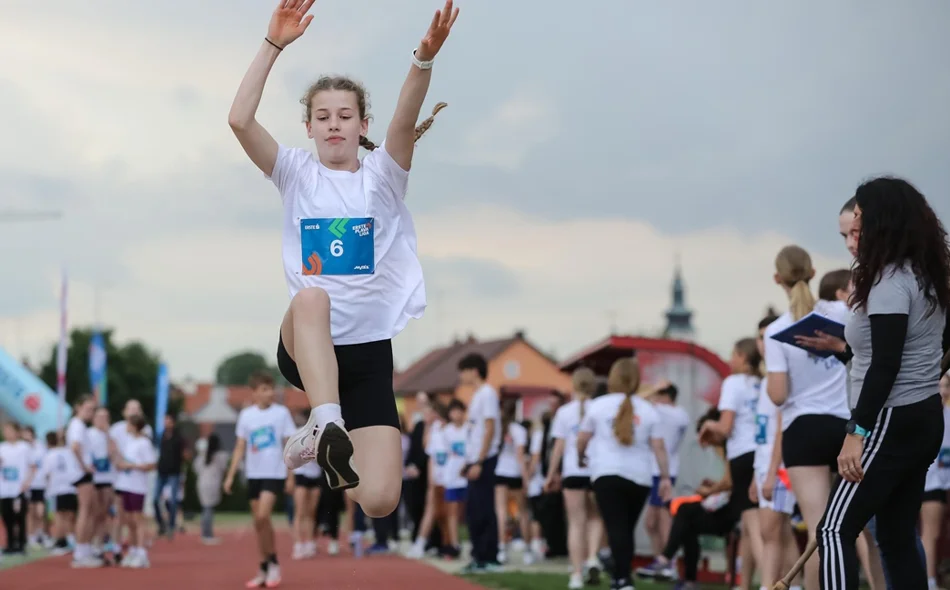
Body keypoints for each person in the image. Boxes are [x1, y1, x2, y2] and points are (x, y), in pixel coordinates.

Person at [228, 0, 456, 521]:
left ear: (362, 125)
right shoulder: (294, 173)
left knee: (379, 500)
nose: (334, 125)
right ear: (308, 127)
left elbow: (404, 120)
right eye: (323, 117)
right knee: (312, 296)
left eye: (345, 116)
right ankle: (325, 420)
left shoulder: (383, 177)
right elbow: (239, 120)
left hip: (368, 356)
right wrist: (273, 44)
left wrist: (422, 60)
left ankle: (316, 439)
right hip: (308, 347)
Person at [816, 177, 950, 590]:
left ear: (883, 221)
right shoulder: (926, 275)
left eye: (860, 217)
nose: (855, 227)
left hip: (890, 418)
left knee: (833, 529)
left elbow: (886, 364)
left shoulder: (890, 280)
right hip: (922, 416)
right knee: (894, 537)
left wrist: (856, 432)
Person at [576, 358, 672, 590]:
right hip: (639, 477)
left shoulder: (598, 406)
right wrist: (665, 477)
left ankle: (621, 578)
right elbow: (659, 447)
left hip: (606, 473)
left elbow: (582, 439)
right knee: (625, 528)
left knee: (616, 527)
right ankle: (621, 577)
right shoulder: (648, 410)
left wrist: (581, 457)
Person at [224, 371, 297, 588]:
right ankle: (265, 565)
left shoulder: (281, 413)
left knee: (263, 516)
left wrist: (291, 476)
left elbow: (289, 446)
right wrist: (230, 476)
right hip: (253, 474)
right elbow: (240, 447)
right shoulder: (246, 416)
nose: (269, 393)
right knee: (259, 523)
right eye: (264, 389)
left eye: (271, 388)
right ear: (254, 392)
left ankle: (273, 562)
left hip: (274, 473)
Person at [749, 314, 803, 590]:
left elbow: (782, 428)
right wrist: (756, 474)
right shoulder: (766, 380)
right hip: (764, 465)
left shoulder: (782, 379)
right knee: (779, 531)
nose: (763, 343)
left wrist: (772, 472)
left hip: (779, 468)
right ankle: (793, 584)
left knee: (770, 530)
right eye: (760, 337)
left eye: (767, 337)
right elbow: (764, 432)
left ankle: (769, 585)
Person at [544, 367, 604, 589]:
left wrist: (551, 474)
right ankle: (593, 557)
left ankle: (576, 574)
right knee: (596, 518)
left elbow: (558, 447)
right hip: (596, 470)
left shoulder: (564, 412)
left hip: (572, 471)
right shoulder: (600, 408)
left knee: (576, 523)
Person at [458, 353, 502, 573]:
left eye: (463, 371)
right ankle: (480, 555)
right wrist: (468, 462)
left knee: (482, 510)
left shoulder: (487, 393)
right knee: (474, 511)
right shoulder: (477, 395)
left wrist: (480, 461)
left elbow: (490, 428)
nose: (461, 376)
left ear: (474, 371)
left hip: (484, 459)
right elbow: (474, 432)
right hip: (475, 459)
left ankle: (487, 557)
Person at [643, 382, 691, 560]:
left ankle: (667, 561)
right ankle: (661, 560)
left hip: (661, 470)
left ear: (665, 396)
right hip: (663, 470)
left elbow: (634, 399)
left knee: (662, 518)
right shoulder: (681, 414)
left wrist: (652, 388)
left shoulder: (663, 411)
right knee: (652, 522)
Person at [114, 414, 157, 569]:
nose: (126, 426)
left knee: (138, 520)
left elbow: (151, 465)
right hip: (125, 485)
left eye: (128, 424)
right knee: (129, 520)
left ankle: (142, 553)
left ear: (134, 426)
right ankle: (132, 551)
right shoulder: (129, 441)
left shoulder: (144, 443)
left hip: (137, 486)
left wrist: (131, 466)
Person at [920, 374, 950, 590]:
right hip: (925, 481)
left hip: (941, 482)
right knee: (929, 532)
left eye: (946, 386)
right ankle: (928, 581)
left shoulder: (948, 415)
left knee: (936, 532)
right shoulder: (922, 415)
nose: (943, 390)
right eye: (939, 386)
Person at [494, 397, 530, 565]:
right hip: (515, 473)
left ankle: (502, 548)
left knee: (501, 511)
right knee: (522, 512)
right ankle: (528, 549)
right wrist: (526, 478)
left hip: (500, 472)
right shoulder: (519, 430)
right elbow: (520, 456)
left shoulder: (499, 428)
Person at [65, 394, 100, 567]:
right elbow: (75, 447)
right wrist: (84, 466)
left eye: (92, 410)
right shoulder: (77, 425)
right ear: (78, 407)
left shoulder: (79, 425)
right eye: (88, 409)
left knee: (91, 510)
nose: (90, 413)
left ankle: (85, 548)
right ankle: (80, 552)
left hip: (82, 471)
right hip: (81, 473)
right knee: (85, 510)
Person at [41, 431, 82, 556]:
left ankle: (61, 541)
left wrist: (47, 488)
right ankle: (71, 539)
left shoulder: (51, 454)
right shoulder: (69, 452)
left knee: (59, 516)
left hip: (57, 489)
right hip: (71, 488)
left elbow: (47, 473)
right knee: (70, 516)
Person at [440, 399, 469, 559]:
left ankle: (471, 541)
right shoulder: (447, 431)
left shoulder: (469, 429)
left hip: (467, 477)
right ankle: (454, 543)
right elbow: (444, 453)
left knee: (468, 511)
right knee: (452, 512)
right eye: (453, 411)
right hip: (452, 476)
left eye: (459, 411)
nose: (456, 414)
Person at [0, 422, 34, 554]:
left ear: (17, 432)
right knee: (7, 516)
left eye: (10, 430)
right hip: (5, 489)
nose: (7, 433)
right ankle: (10, 543)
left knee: (19, 516)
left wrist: (27, 482)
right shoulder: (2, 447)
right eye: (5, 430)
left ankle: (21, 543)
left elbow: (33, 466)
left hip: (19, 489)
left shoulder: (24, 447)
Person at [87, 408, 115, 557]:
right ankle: (90, 541)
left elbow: (113, 453)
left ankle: (102, 540)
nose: (102, 420)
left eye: (105, 417)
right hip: (93, 477)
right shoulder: (89, 433)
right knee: (94, 512)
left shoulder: (110, 434)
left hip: (107, 477)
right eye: (99, 417)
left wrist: (108, 434)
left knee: (104, 512)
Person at [193, 432, 229, 544]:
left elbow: (195, 468)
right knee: (208, 509)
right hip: (212, 484)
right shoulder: (220, 455)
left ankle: (206, 533)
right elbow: (224, 468)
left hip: (202, 483)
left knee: (206, 508)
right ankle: (207, 534)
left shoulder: (202, 456)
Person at [154, 413, 186, 540]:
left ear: (173, 423)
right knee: (155, 499)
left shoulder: (179, 438)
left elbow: (185, 454)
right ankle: (161, 524)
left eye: (168, 421)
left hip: (174, 472)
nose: (166, 423)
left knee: (173, 501)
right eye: (165, 421)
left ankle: (171, 526)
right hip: (162, 472)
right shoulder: (160, 436)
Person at [21, 426, 50, 550]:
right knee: (30, 511)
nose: (26, 436)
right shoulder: (22, 447)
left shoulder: (40, 446)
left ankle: (41, 533)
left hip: (40, 483)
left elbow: (45, 462)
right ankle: (31, 536)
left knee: (40, 512)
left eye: (27, 433)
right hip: (28, 484)